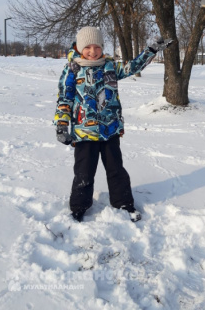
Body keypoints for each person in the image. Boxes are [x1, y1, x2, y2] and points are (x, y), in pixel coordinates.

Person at [54, 26, 172, 223]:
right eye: (88, 47)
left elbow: (132, 67)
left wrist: (150, 50)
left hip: (110, 130)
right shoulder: (72, 69)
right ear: (80, 48)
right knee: (84, 172)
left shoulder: (110, 66)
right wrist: (61, 124)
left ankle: (124, 203)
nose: (93, 51)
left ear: (102, 47)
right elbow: (64, 99)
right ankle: (78, 207)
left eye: (97, 47)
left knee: (116, 169)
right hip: (84, 132)